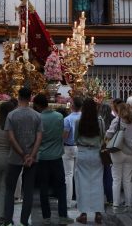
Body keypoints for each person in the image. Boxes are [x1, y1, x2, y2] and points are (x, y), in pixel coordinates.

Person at [3, 87, 43, 226]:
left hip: (15, 156)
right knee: (28, 190)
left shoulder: (12, 115)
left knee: (10, 189)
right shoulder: (37, 116)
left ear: (18, 96)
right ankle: (24, 220)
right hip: (32, 159)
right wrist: (31, 156)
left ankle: (8, 220)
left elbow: (11, 138)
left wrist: (22, 154)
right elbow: (39, 138)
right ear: (31, 97)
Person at [33, 94, 74, 225]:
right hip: (57, 157)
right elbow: (62, 134)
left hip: (42, 157)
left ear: (38, 105)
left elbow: (36, 138)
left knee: (43, 187)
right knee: (61, 186)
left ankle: (46, 217)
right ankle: (62, 215)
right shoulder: (59, 117)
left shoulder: (37, 118)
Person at [106, 103, 132, 213]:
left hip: (117, 152)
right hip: (131, 154)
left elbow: (108, 135)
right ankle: (128, 204)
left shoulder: (117, 121)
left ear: (119, 111)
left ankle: (116, 206)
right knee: (128, 180)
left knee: (116, 179)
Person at [74, 98, 105, 224]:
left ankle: (84, 214)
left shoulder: (78, 121)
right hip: (96, 153)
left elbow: (75, 138)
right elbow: (103, 137)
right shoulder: (100, 121)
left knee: (82, 184)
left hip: (82, 153)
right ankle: (98, 213)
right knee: (98, 182)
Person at [62, 97, 83, 207]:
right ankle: (80, 201)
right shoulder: (84, 118)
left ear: (72, 106)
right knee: (78, 175)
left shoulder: (68, 119)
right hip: (81, 147)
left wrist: (62, 141)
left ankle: (68, 202)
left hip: (68, 147)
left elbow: (65, 135)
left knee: (68, 175)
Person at [98, 101, 115, 206]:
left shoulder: (99, 121)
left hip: (101, 149)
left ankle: (100, 197)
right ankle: (110, 198)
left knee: (100, 174)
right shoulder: (114, 120)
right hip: (112, 149)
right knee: (109, 174)